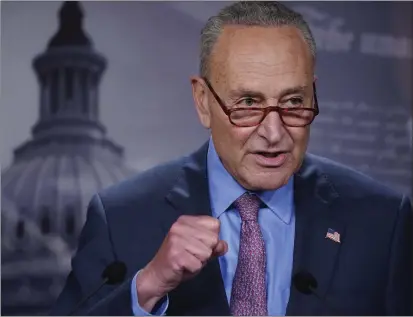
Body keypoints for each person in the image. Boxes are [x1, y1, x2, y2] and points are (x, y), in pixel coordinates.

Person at [50, 1, 412, 316]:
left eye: (292, 102)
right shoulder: (122, 218)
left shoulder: (382, 220)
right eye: (248, 104)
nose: (274, 133)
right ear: (203, 102)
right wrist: (146, 288)